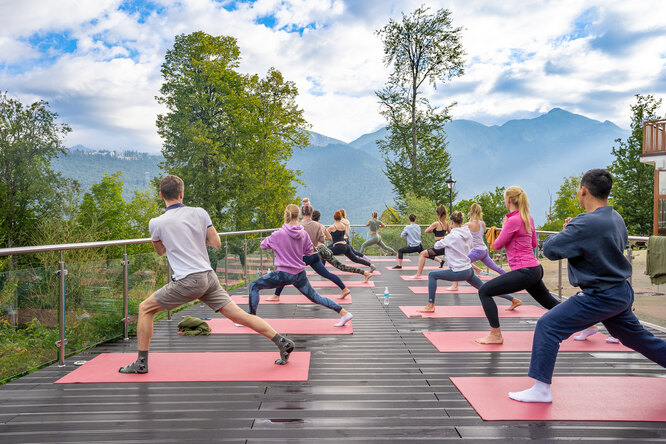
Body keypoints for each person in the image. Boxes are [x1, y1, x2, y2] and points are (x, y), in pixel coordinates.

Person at [509, 169, 666, 403]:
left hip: (600, 295)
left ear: (583, 190)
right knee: (638, 338)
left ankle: (541, 389)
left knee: (548, 325)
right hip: (621, 293)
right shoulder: (615, 217)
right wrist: (574, 231)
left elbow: (550, 249)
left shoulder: (585, 223)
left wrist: (568, 230)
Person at [119, 175, 295, 373]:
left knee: (145, 309)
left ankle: (141, 363)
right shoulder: (200, 213)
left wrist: (175, 242)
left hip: (188, 280)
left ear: (161, 195)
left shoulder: (156, 223)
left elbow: (160, 252)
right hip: (208, 276)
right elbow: (216, 243)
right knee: (239, 316)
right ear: (181, 193)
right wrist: (192, 239)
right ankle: (282, 341)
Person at [476, 186, 560, 344]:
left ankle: (495, 335)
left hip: (525, 271)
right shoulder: (528, 218)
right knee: (550, 303)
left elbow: (498, 244)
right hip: (535, 269)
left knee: (484, 291)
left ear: (508, 200)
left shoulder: (512, 221)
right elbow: (534, 243)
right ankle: (586, 323)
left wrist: (504, 225)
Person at [248, 204, 353, 327]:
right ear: (298, 216)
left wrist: (275, 240)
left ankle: (250, 319)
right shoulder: (303, 234)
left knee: (254, 286)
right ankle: (344, 313)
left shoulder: (278, 234)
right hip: (299, 274)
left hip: (283, 274)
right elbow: (309, 251)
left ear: (286, 215)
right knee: (316, 297)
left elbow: (263, 245)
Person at [418, 212, 514, 312]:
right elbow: (470, 246)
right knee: (485, 288)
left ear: (451, 222)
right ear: (462, 221)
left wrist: (445, 239)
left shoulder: (451, 236)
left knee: (432, 275)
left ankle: (430, 305)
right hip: (469, 270)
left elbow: (437, 246)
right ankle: (513, 299)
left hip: (459, 271)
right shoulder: (468, 234)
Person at [270, 203, 351, 300]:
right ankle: (344, 288)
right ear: (311, 213)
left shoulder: (298, 225)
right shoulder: (317, 225)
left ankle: (276, 295)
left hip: (303, 256)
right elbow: (322, 240)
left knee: (285, 271)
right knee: (327, 274)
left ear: (301, 213)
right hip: (314, 255)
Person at [447, 204, 517, 308]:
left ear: (471, 213)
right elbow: (482, 232)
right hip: (484, 250)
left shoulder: (469, 224)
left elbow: (458, 231)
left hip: (477, 251)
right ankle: (512, 281)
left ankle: (455, 285)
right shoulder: (482, 223)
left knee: (460, 262)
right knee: (496, 267)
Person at [312, 210, 373, 285]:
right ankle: (370, 266)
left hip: (339, 246)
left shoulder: (332, 227)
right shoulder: (343, 226)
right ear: (341, 218)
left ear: (334, 218)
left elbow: (325, 236)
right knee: (355, 259)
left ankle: (322, 268)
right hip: (346, 245)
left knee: (324, 253)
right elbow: (347, 235)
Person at [411, 205, 449, 277]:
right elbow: (450, 232)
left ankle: (418, 274)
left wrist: (434, 231)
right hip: (444, 245)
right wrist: (443, 233)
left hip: (439, 246)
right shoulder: (446, 223)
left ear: (437, 214)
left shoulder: (436, 223)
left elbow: (426, 231)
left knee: (422, 254)